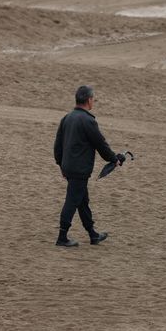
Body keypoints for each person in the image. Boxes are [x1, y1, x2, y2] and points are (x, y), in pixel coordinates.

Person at [53, 85, 124, 247]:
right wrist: (114, 159)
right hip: (79, 170)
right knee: (72, 201)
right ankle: (62, 237)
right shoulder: (88, 121)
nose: (93, 102)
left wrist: (61, 165)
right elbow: (101, 145)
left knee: (82, 201)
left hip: (69, 167)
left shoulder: (67, 117)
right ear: (88, 100)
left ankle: (93, 234)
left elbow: (57, 145)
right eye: (93, 99)